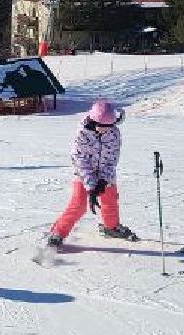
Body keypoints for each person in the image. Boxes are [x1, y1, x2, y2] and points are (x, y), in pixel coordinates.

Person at [48, 100, 136, 244]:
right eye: (102, 127)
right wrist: (91, 187)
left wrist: (103, 181)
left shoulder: (114, 133)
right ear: (94, 122)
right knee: (78, 204)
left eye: (109, 127)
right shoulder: (82, 134)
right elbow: (80, 161)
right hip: (83, 174)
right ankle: (58, 233)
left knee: (110, 200)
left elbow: (112, 159)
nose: (105, 130)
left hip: (106, 173)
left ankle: (111, 227)